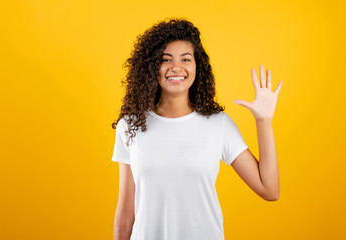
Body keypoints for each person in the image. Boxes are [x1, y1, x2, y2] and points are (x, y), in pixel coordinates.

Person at [111, 18, 282, 240]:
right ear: (152, 67)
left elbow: (269, 190)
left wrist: (264, 122)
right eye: (166, 59)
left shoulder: (218, 124)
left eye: (185, 59)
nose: (176, 67)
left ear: (196, 66)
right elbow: (126, 213)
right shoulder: (130, 126)